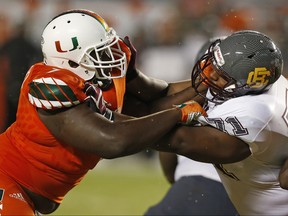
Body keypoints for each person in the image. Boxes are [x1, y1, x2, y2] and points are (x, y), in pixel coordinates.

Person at [0, 9, 205, 215]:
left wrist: (209, 82)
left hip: (29, 192)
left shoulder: (100, 76)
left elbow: (156, 100)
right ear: (70, 60)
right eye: (99, 51)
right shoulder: (50, 86)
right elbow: (113, 141)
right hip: (7, 177)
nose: (110, 55)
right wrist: (178, 113)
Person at [152, 30, 288, 215]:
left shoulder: (252, 114)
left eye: (219, 73)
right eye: (210, 67)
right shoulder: (257, 101)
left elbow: (172, 148)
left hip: (211, 191)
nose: (209, 75)